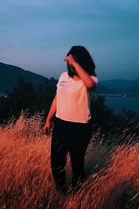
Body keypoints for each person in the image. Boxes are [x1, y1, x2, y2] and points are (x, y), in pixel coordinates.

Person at [43, 45, 98, 194]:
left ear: (80, 62)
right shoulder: (62, 77)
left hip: (81, 128)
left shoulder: (90, 77)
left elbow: (91, 85)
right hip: (61, 125)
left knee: (77, 164)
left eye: (72, 61)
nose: (68, 64)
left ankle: (77, 193)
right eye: (68, 62)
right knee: (56, 162)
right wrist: (48, 120)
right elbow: (56, 99)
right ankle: (63, 193)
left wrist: (75, 63)